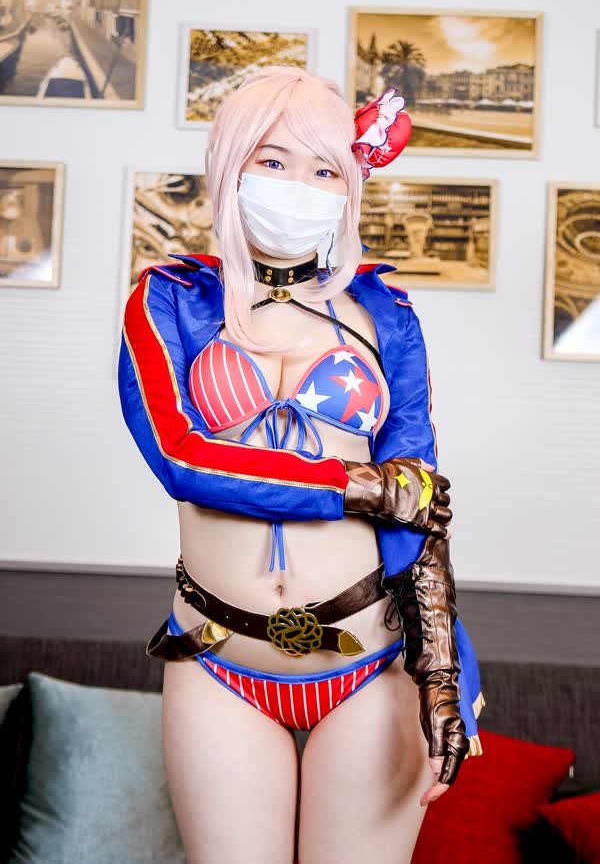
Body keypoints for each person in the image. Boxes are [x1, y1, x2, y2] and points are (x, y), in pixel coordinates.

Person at [117, 65, 485, 864]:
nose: (299, 188)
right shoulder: (170, 300)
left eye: (325, 170)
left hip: (373, 663)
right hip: (219, 659)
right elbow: (180, 457)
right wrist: (354, 486)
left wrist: (442, 672)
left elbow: (417, 501)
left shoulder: (385, 314)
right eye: (274, 161)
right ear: (231, 165)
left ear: (350, 186)